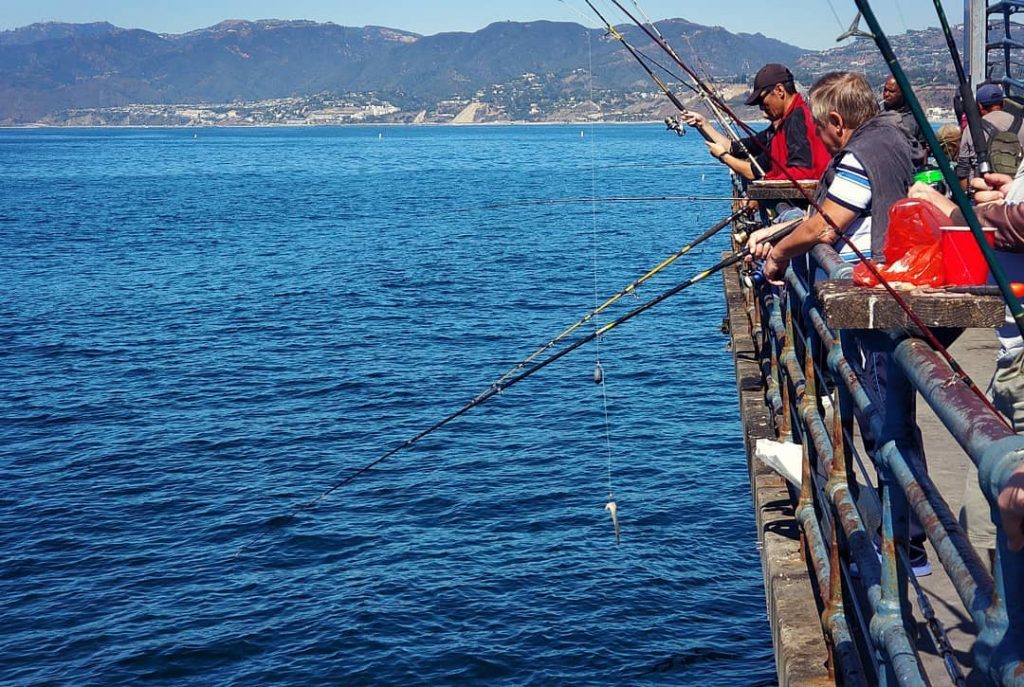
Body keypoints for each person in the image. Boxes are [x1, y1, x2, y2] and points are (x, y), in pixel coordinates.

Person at [747, 71, 931, 573]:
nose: (824, 140)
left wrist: (778, 253)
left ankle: (905, 545)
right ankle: (908, 534)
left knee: (880, 419)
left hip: (873, 302)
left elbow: (827, 222)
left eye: (825, 130)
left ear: (835, 120)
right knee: (892, 416)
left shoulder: (857, 155)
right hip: (892, 287)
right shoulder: (893, 137)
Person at [909, 172, 1024, 559]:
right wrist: (1008, 192)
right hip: (1009, 359)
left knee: (1007, 510)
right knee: (985, 514)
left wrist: (957, 212)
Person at [682, 63, 830, 182]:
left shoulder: (797, 119)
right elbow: (736, 148)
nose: (761, 107)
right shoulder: (779, 128)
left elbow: (801, 172)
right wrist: (703, 124)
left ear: (779, 90)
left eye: (762, 100)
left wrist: (724, 157)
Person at [956, 83, 1024, 188]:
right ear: (1002, 103)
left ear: (979, 106)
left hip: (984, 190)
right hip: (1016, 189)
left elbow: (963, 168)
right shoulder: (1022, 124)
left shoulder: (971, 129)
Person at [881, 75, 928, 166]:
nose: (886, 94)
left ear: (902, 92)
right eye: (885, 90)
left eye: (891, 91)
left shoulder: (916, 117)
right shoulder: (877, 113)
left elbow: (923, 147)